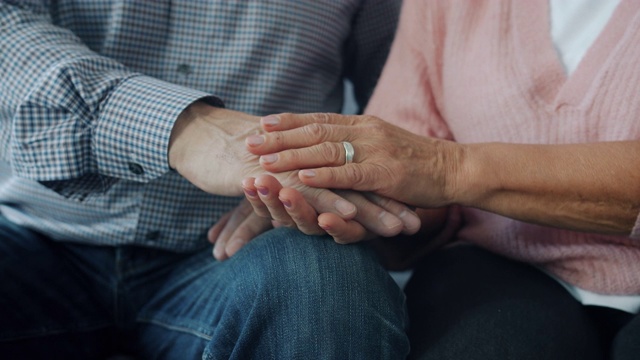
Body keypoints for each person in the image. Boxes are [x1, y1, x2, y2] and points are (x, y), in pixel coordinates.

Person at [0, 1, 417, 358]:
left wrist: (344, 181)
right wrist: (184, 131)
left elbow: (399, 109)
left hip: (252, 245)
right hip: (37, 233)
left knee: (327, 286)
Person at [238, 0, 640, 359]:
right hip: (502, 265)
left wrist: (449, 168)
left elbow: (433, 166)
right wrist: (357, 201)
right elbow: (411, 176)